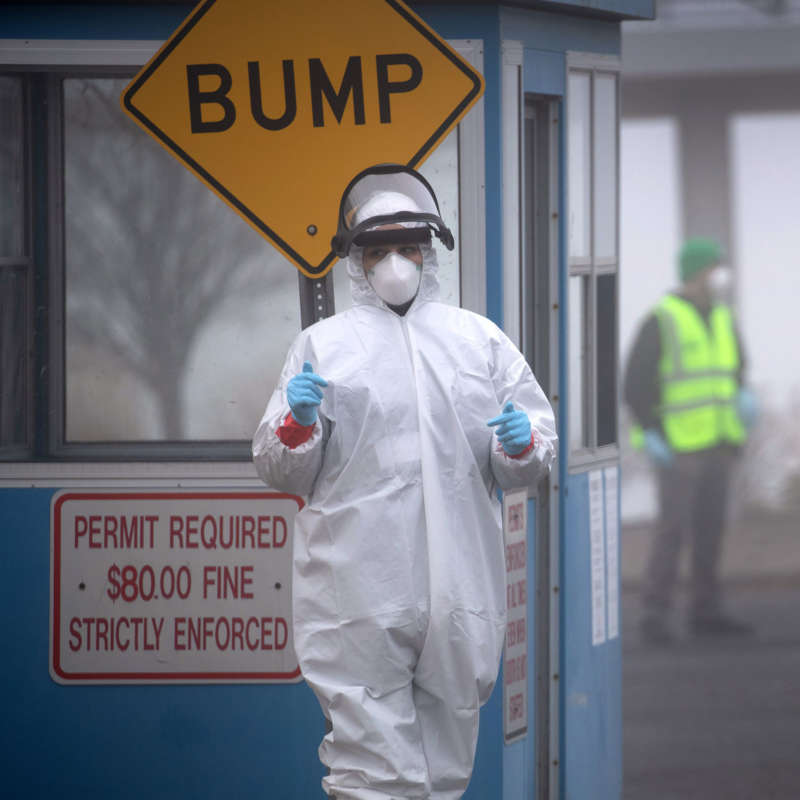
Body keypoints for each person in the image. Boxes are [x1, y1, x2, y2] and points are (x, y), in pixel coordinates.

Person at [252, 164, 557, 799]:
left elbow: (526, 458)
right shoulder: (323, 347)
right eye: (379, 250)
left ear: (428, 253)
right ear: (357, 262)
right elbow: (284, 472)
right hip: (358, 586)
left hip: (458, 587)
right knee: (371, 775)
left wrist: (523, 446)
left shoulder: (478, 344)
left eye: (407, 248)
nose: (395, 263)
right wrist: (296, 425)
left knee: (444, 774)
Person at [624, 237, 758, 644]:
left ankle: (706, 610)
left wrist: (743, 397)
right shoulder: (662, 320)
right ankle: (654, 613)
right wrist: (649, 432)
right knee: (673, 531)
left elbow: (737, 370)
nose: (720, 275)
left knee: (710, 530)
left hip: (719, 442)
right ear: (696, 272)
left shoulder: (723, 317)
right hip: (680, 448)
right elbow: (635, 383)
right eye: (714, 266)